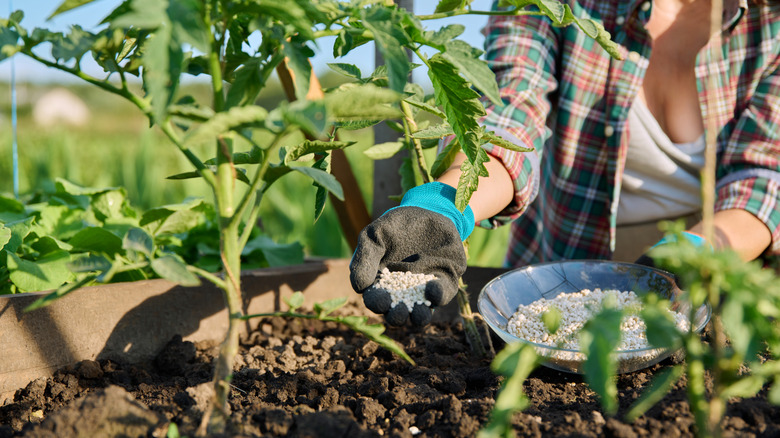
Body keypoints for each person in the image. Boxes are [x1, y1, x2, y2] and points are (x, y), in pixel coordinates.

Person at [350, 0, 779, 326]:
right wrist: (446, 206)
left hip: (715, 279)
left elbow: (763, 177)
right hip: (557, 287)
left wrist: (694, 254)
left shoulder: (770, 27)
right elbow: (510, 112)